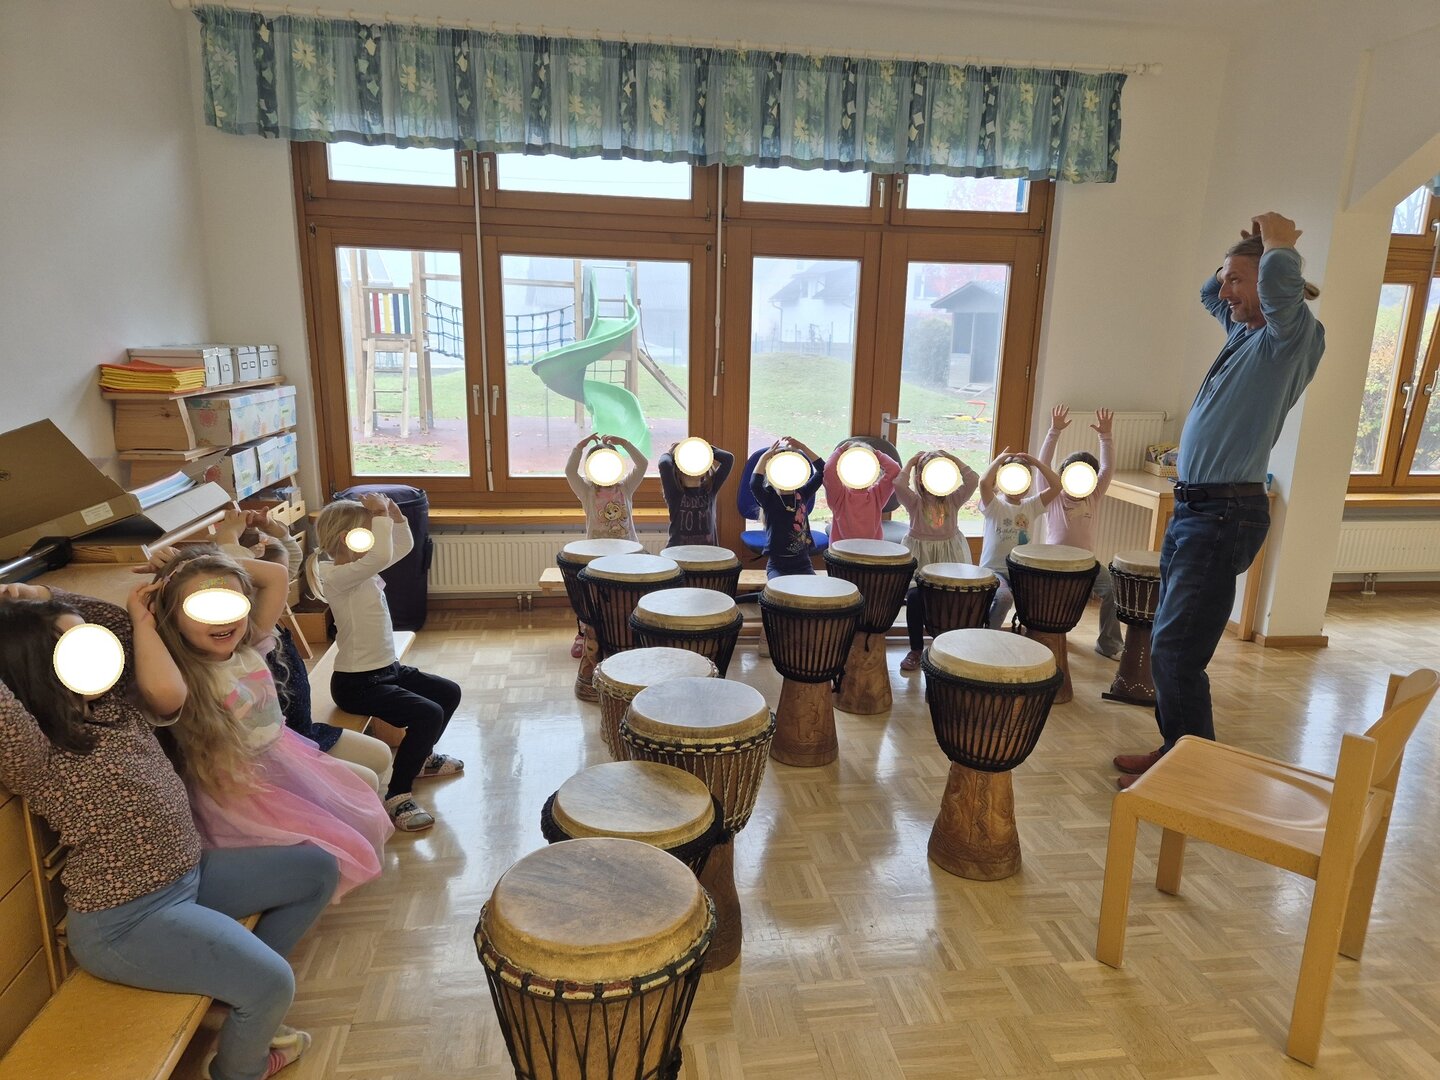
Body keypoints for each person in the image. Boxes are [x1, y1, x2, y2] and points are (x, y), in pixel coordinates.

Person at [0, 582, 337, 1080]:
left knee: (316, 870)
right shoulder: (36, 751)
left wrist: (38, 592)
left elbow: (117, 623)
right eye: (76, 648)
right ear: (36, 669)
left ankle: (231, 987)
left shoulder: (113, 704)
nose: (97, 652)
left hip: (189, 876)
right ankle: (238, 1068)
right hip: (127, 921)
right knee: (272, 984)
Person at [1113, 212, 1325, 789]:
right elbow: (1210, 296)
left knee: (1176, 650)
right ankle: (1176, 751)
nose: (1224, 290)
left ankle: (1190, 772)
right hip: (1196, 510)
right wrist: (1240, 256)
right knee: (1171, 641)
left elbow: (1280, 296)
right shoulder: (1245, 334)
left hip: (1223, 513)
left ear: (1270, 284)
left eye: (1237, 280)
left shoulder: (1288, 339)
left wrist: (1278, 245)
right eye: (1227, 278)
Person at [141, 545, 392, 899]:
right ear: (171, 616)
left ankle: (315, 885)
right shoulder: (184, 675)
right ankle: (305, 889)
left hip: (286, 759)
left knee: (361, 800)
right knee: (336, 829)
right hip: (243, 788)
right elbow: (162, 690)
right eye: (202, 608)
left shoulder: (248, 646)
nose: (221, 619)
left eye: (230, 604)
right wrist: (143, 619)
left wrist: (197, 562)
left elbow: (275, 576)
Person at [214, 510, 393, 794]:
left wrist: (270, 526)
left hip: (304, 730)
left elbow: (290, 555)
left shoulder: (270, 620)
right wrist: (227, 537)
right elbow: (246, 573)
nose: (282, 588)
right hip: (283, 746)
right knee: (366, 782)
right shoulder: (251, 635)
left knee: (381, 756)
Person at [316, 494, 464, 831]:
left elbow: (402, 547)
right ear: (349, 538)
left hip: (387, 669)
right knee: (428, 713)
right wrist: (380, 512)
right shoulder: (339, 576)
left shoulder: (361, 569)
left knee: (448, 692)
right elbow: (383, 553)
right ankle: (398, 795)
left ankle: (422, 757)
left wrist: (395, 517)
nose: (377, 538)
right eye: (371, 531)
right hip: (357, 683)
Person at [1036, 405, 1123, 660]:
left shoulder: (1093, 496)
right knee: (1051, 603)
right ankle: (1048, 636)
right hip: (1054, 564)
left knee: (1113, 590)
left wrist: (1105, 436)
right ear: (1063, 476)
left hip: (1086, 564)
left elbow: (1108, 468)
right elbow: (1043, 465)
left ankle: (1108, 644)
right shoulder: (1053, 496)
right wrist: (1054, 431)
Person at [893, 450, 979, 672]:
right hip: (921, 557)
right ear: (921, 478)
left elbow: (973, 479)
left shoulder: (953, 500)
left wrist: (952, 459)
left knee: (951, 599)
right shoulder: (915, 502)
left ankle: (949, 647)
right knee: (914, 598)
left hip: (949, 556)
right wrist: (912, 462)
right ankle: (915, 649)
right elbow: (899, 485)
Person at [977, 449, 1061, 630]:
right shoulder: (995, 505)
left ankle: (1034, 636)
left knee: (1045, 596)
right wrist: (999, 460)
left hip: (1020, 571)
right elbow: (983, 483)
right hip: (994, 571)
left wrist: (1036, 463)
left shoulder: (1031, 505)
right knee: (1004, 598)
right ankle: (989, 635)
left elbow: (1057, 486)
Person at [750, 437, 825, 578]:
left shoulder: (803, 493)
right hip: (778, 566)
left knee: (812, 590)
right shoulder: (769, 498)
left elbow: (823, 470)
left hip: (803, 564)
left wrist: (803, 447)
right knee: (778, 591)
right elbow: (754, 484)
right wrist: (765, 457)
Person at [564, 433, 649, 543]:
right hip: (597, 549)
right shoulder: (587, 491)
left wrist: (624, 443)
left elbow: (642, 464)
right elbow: (570, 472)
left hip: (627, 548)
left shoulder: (625, 487)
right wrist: (579, 447)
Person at [823, 438, 901, 543]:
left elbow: (829, 470)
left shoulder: (839, 496)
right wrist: (876, 454)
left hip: (862, 550)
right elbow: (895, 469)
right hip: (846, 551)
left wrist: (840, 450)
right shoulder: (841, 495)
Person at [658, 441, 735, 547]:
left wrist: (703, 448)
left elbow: (728, 458)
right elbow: (664, 463)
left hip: (708, 553)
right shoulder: (674, 492)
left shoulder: (710, 488)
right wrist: (675, 451)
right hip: (678, 552)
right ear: (679, 468)